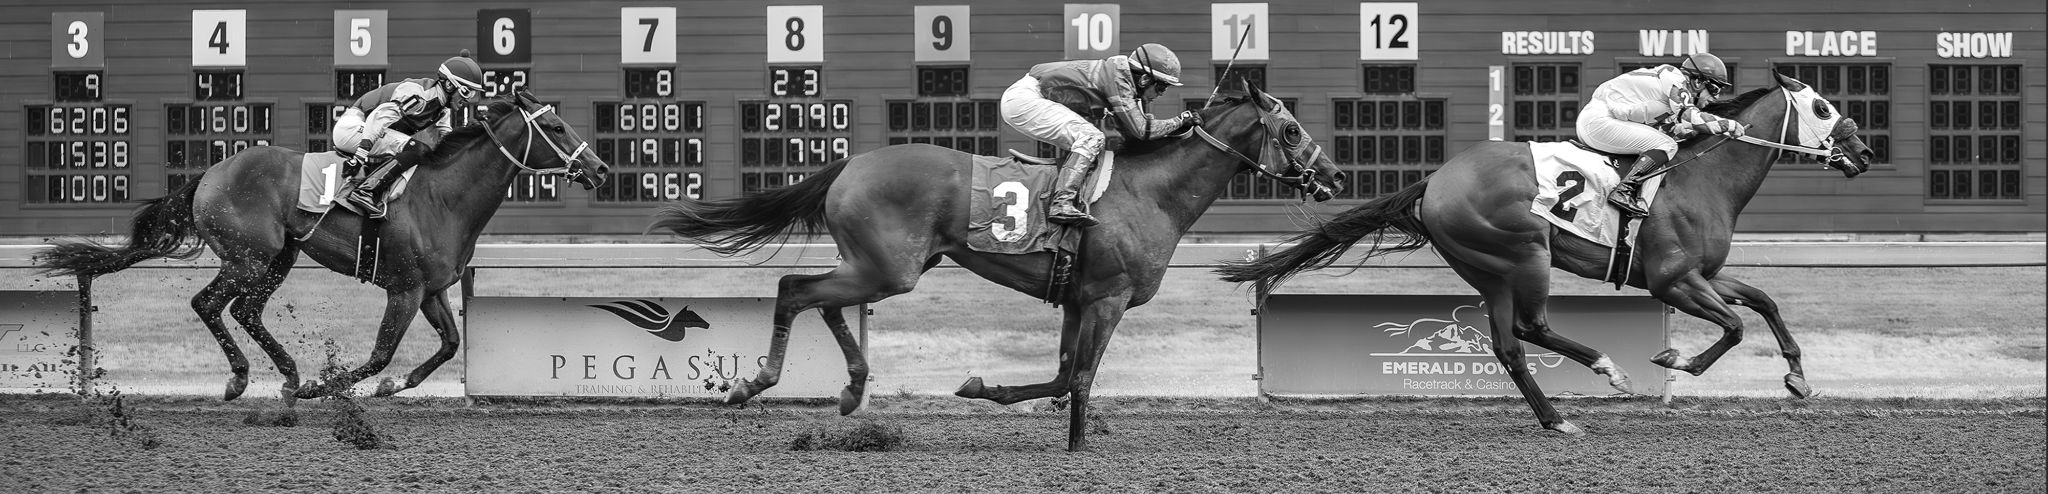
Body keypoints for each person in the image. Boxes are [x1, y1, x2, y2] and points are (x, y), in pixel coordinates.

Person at [1000, 43, 1200, 227]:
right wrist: (1180, 120)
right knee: (1092, 138)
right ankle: (1061, 202)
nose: (1162, 92)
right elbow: (1143, 130)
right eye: (1161, 86)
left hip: (1029, 98)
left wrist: (1175, 130)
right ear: (1145, 79)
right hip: (1025, 100)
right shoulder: (1118, 81)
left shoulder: (1123, 83)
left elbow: (1133, 137)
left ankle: (1068, 195)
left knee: (1090, 143)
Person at [1577, 52, 1746, 217]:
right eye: (1714, 89)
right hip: (1599, 121)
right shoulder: (1675, 81)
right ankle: (1624, 190)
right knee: (1666, 145)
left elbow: (1669, 130)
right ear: (1698, 82)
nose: (1716, 97)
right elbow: (1691, 117)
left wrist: (1689, 132)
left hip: (1600, 122)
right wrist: (1729, 125)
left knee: (1664, 145)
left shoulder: (1668, 95)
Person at [332, 50, 486, 218]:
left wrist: (470, 142)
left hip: (369, 129)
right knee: (417, 149)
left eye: (473, 93)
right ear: (449, 85)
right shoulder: (418, 95)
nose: (468, 99)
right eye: (467, 92)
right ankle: (365, 191)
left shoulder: (442, 110)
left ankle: (380, 195)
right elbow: (377, 119)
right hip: (352, 128)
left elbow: (446, 144)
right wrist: (359, 157)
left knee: (423, 154)